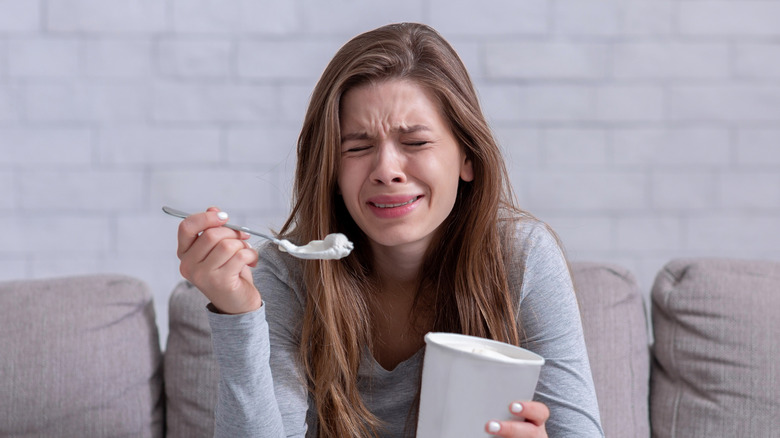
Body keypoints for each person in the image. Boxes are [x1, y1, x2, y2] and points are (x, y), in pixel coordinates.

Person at [175, 22, 604, 438]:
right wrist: (239, 314)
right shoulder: (289, 274)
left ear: (467, 158)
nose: (386, 171)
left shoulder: (522, 257)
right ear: (332, 173)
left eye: (415, 143)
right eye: (358, 147)